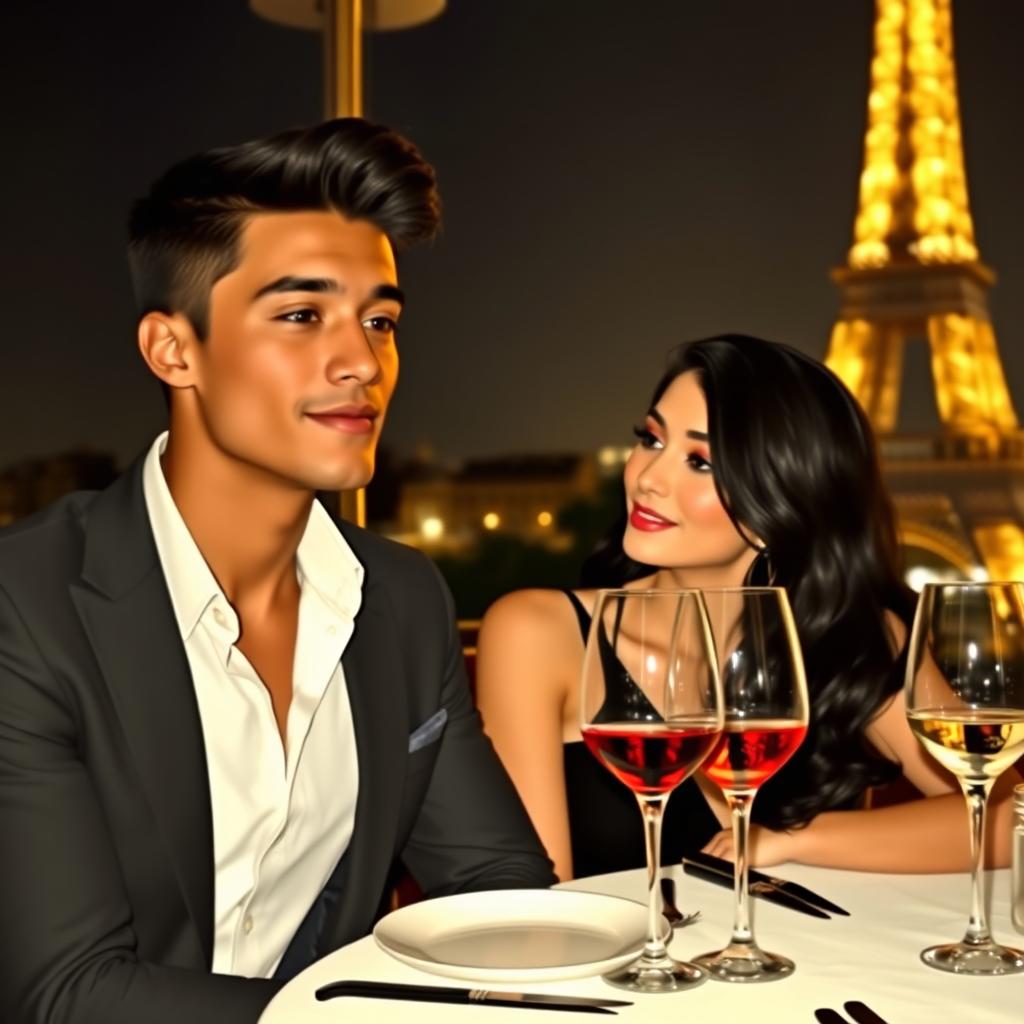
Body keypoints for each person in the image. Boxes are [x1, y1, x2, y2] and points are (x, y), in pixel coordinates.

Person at [0, 118, 554, 1024]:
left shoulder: (402, 598)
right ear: (172, 350)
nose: (362, 362)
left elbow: (495, 886)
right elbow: (64, 995)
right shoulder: (26, 608)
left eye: (380, 320)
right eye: (302, 315)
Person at [476, 333, 1020, 882]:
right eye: (651, 439)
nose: (647, 477)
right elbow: (538, 903)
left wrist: (793, 840)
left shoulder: (851, 636)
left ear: (780, 501)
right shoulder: (539, 634)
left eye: (700, 462)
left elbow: (1007, 819)